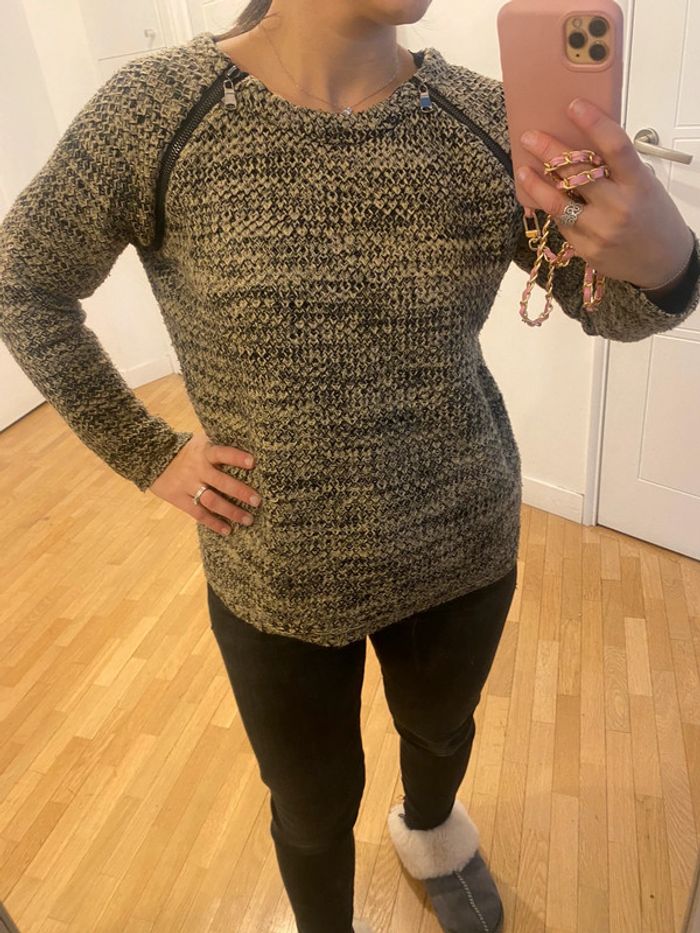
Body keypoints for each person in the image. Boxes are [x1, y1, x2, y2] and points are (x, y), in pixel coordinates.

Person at [1, 2, 698, 932]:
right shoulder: (157, 111)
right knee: (312, 803)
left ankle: (432, 833)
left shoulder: (486, 121)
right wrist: (147, 452)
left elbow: (608, 305)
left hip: (460, 538)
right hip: (276, 567)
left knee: (441, 732)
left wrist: (671, 259)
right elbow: (24, 281)